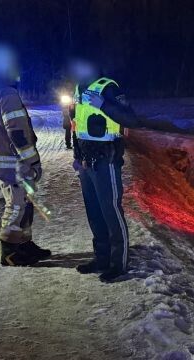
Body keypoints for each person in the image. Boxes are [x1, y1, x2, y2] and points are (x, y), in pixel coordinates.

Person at [0, 44, 51, 266]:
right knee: (17, 203)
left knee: (25, 201)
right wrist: (32, 161)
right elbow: (17, 132)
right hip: (11, 161)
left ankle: (24, 245)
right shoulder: (6, 92)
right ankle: (9, 251)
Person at [69, 58, 141, 282]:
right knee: (95, 213)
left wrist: (103, 105)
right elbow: (76, 125)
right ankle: (101, 258)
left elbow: (131, 119)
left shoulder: (109, 87)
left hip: (106, 160)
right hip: (86, 163)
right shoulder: (78, 89)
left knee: (111, 211)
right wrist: (76, 156)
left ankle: (118, 264)